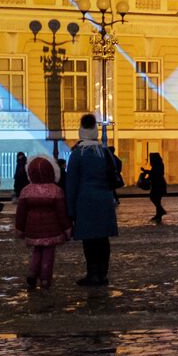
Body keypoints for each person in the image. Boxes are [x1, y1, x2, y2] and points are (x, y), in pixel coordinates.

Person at [65, 113, 119, 287]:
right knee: (103, 240)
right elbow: (116, 170)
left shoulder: (77, 154)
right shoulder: (104, 152)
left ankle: (93, 274)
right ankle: (102, 274)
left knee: (89, 241)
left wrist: (70, 210)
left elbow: (71, 184)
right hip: (104, 201)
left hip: (85, 202)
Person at [14, 155, 71, 290]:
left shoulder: (26, 190)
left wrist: (20, 229)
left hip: (32, 228)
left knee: (36, 251)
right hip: (52, 229)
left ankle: (32, 274)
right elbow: (62, 213)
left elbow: (20, 213)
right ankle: (45, 279)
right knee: (48, 254)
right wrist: (67, 229)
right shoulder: (56, 190)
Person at [141, 152, 167, 223]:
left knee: (153, 197)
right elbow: (153, 173)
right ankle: (159, 214)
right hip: (158, 184)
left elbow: (155, 174)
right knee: (157, 199)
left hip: (158, 184)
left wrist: (147, 175)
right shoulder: (158, 164)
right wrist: (147, 171)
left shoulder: (157, 165)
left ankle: (161, 211)